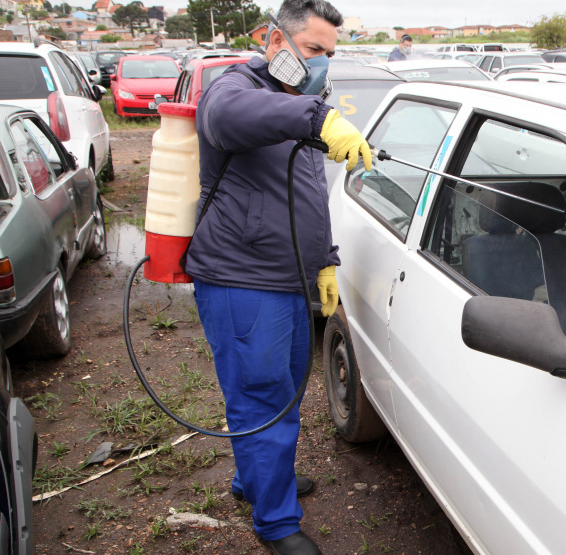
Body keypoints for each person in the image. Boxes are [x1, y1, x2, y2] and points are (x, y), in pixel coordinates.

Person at [186, 1, 371, 553]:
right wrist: (318, 119)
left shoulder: (299, 98)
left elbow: (306, 197)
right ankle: (276, 524)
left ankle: (257, 482)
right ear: (272, 42)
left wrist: (325, 260)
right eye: (312, 49)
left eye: (329, 54)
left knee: (282, 394)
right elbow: (232, 119)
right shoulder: (232, 88)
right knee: (262, 398)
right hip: (241, 279)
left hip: (287, 278)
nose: (320, 63)